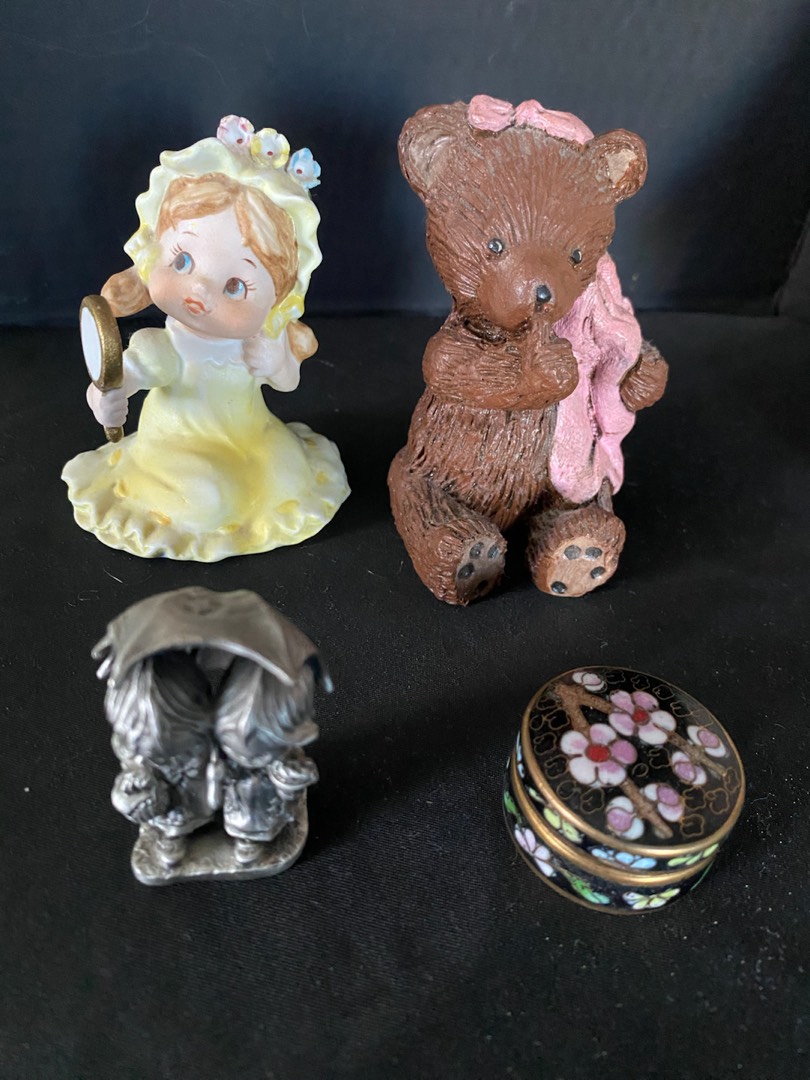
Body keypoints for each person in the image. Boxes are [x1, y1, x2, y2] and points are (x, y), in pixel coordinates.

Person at [63, 116, 349, 561]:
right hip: (177, 445)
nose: (198, 290)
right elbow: (120, 378)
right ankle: (179, 489)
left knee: (289, 473)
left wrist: (276, 361)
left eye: (235, 286)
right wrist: (105, 399)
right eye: (181, 261)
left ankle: (249, 483)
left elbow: (287, 382)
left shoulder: (257, 341)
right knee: (207, 502)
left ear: (277, 299)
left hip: (248, 433)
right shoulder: (165, 347)